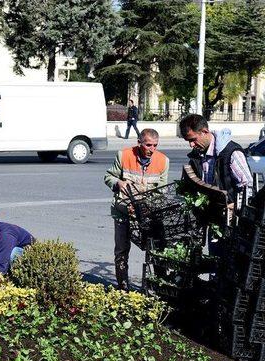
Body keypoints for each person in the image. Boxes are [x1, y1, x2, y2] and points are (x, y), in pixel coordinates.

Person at [104, 128, 169, 290]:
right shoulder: (124, 155)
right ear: (139, 143)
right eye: (148, 145)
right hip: (122, 211)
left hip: (146, 214)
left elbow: (162, 190)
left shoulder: (163, 161)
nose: (152, 149)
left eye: (155, 145)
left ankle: (156, 286)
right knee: (121, 251)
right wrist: (118, 183)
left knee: (154, 250)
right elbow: (108, 177)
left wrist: (146, 207)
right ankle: (123, 286)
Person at [179, 114, 253, 207]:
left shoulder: (231, 153)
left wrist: (236, 206)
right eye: (188, 141)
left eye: (193, 139)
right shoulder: (196, 154)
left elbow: (247, 186)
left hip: (229, 216)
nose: (191, 145)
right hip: (208, 215)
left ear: (204, 131)